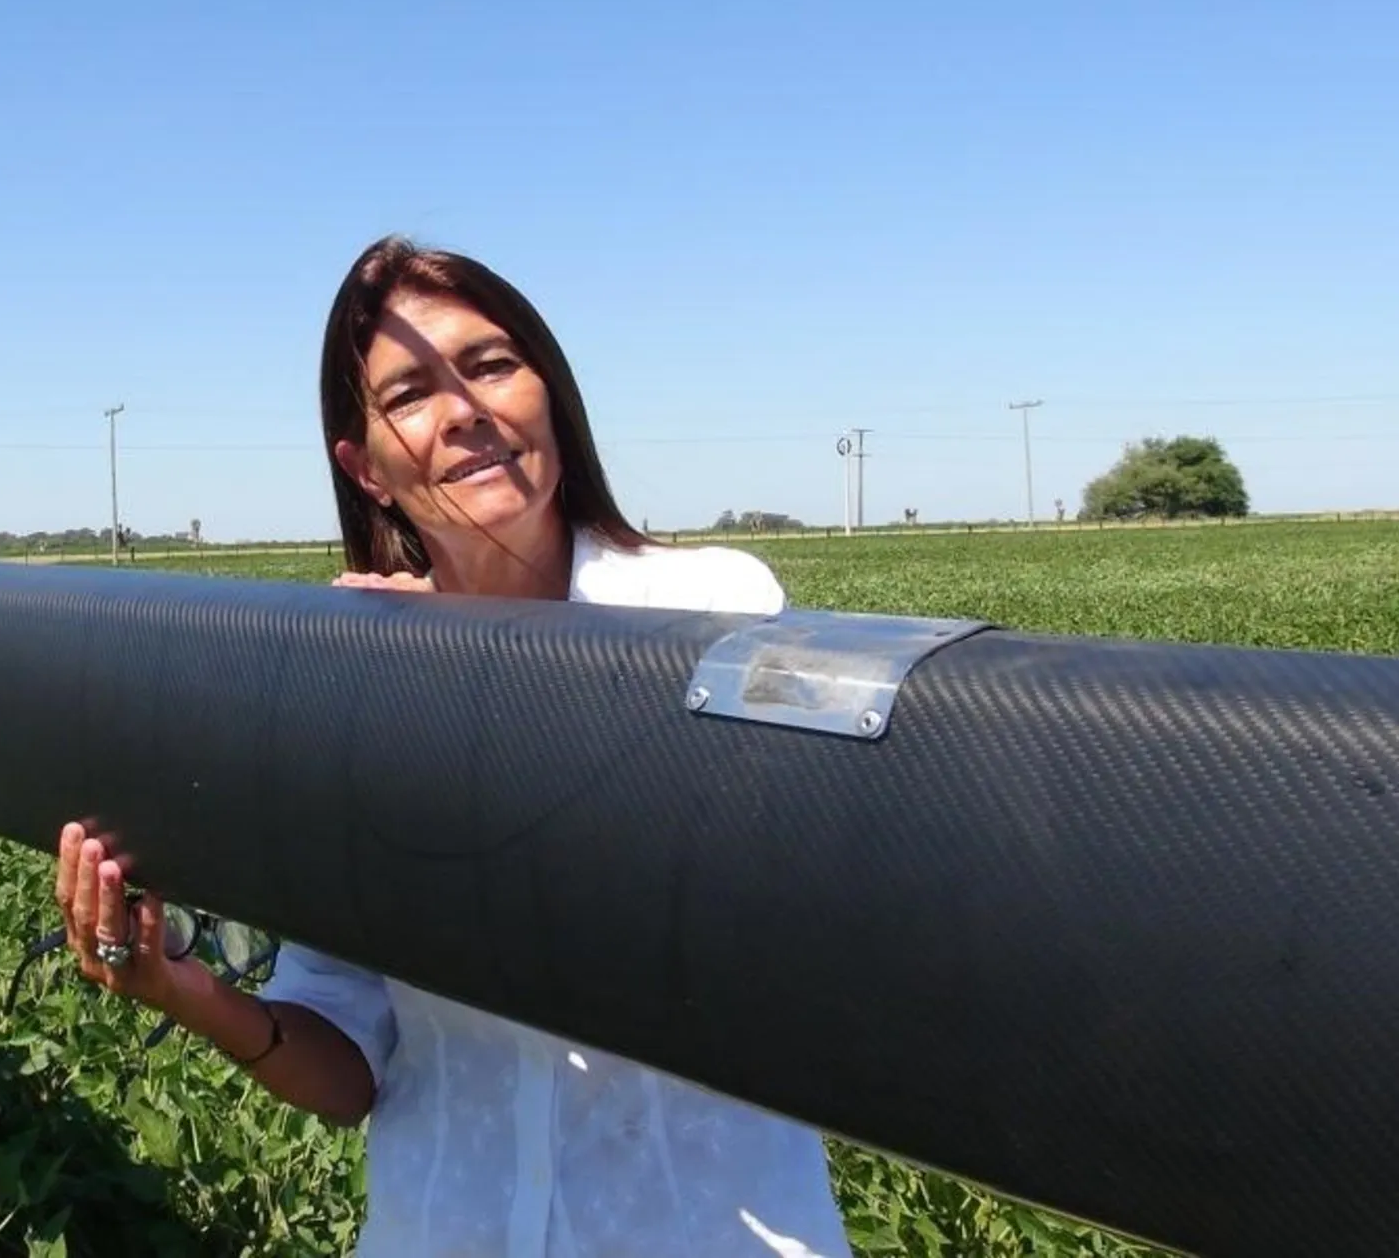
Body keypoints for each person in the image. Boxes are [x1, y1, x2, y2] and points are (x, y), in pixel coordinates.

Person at [52, 236, 850, 1256]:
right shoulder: (354, 695)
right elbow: (346, 1063)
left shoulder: (713, 607)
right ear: (366, 468)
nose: (465, 408)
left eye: (490, 365)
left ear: (548, 397)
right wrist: (182, 991)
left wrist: (460, 673)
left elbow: (767, 904)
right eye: (410, 393)